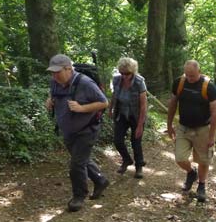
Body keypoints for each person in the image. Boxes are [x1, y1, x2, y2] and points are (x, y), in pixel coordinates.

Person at [45, 54, 109, 212]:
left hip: (87, 129)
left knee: (76, 164)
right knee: (80, 160)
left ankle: (79, 196)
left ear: (68, 69)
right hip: (67, 130)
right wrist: (49, 101)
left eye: (57, 72)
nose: (54, 75)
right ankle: (100, 181)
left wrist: (82, 108)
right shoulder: (55, 81)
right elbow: (52, 94)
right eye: (52, 72)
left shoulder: (85, 83)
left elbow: (104, 102)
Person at [167, 60, 216, 203]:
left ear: (199, 72)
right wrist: (169, 124)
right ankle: (191, 173)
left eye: (193, 75)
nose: (189, 78)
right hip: (183, 127)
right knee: (180, 158)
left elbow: (215, 113)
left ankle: (201, 186)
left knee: (204, 159)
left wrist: (211, 136)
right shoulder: (179, 83)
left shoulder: (209, 87)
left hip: (203, 129)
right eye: (187, 75)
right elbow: (172, 104)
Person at [110, 57, 148, 178]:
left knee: (136, 141)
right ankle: (126, 160)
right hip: (121, 114)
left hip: (136, 115)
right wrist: (110, 108)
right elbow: (114, 95)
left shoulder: (139, 82)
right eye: (122, 73)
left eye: (127, 73)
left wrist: (140, 125)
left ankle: (139, 167)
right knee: (117, 140)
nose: (124, 76)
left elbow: (143, 106)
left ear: (133, 71)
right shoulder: (116, 79)